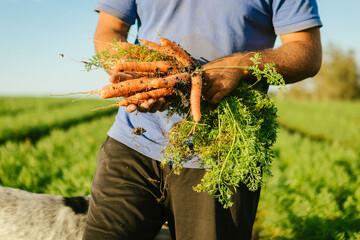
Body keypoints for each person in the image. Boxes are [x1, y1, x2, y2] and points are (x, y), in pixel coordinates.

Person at [83, 1, 322, 239]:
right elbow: (110, 29)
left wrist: (241, 65)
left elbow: (306, 52)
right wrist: (135, 72)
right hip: (132, 143)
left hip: (223, 153)